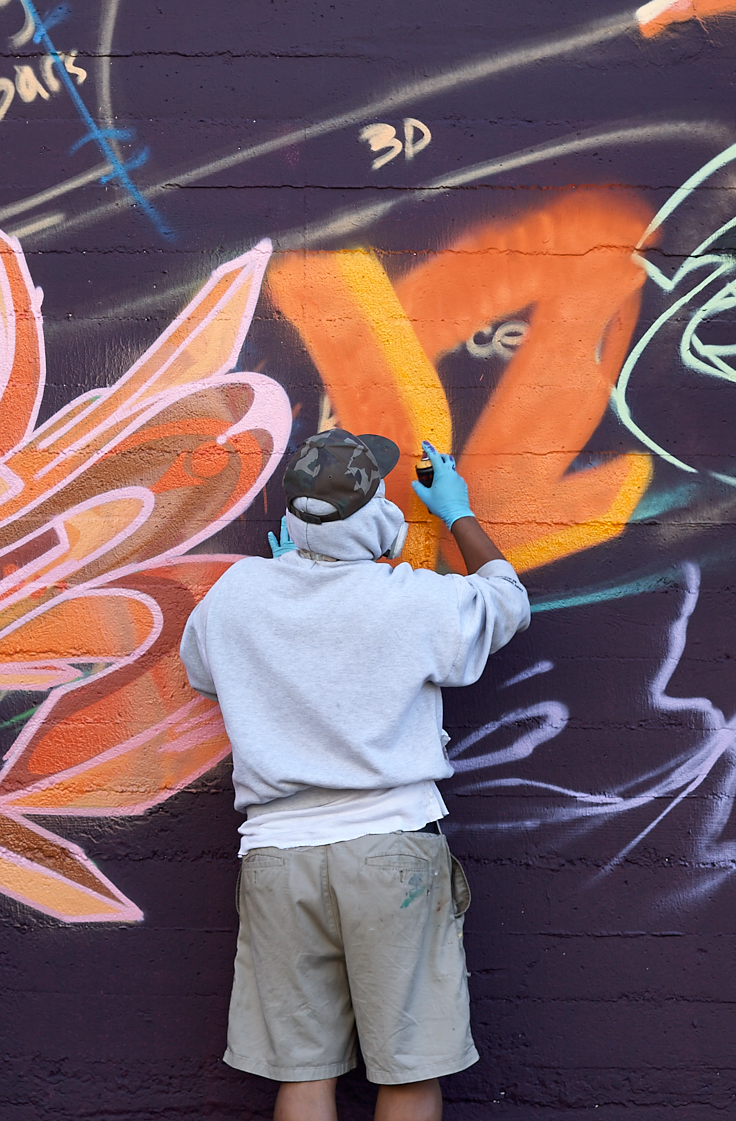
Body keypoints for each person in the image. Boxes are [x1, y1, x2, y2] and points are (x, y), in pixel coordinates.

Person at [180, 428, 531, 1121]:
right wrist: (457, 512)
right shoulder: (412, 598)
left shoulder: (236, 593)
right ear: (376, 515)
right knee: (408, 1070)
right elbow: (508, 601)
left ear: (294, 515)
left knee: (303, 1075)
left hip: (277, 858)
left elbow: (203, 673)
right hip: (391, 852)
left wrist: (285, 585)